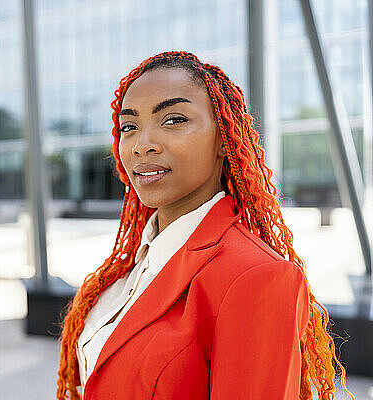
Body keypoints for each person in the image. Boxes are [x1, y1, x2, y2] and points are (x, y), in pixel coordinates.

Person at [55, 51, 354, 400]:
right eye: (129, 126)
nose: (142, 145)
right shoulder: (132, 264)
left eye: (173, 119)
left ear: (224, 141)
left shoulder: (256, 276)